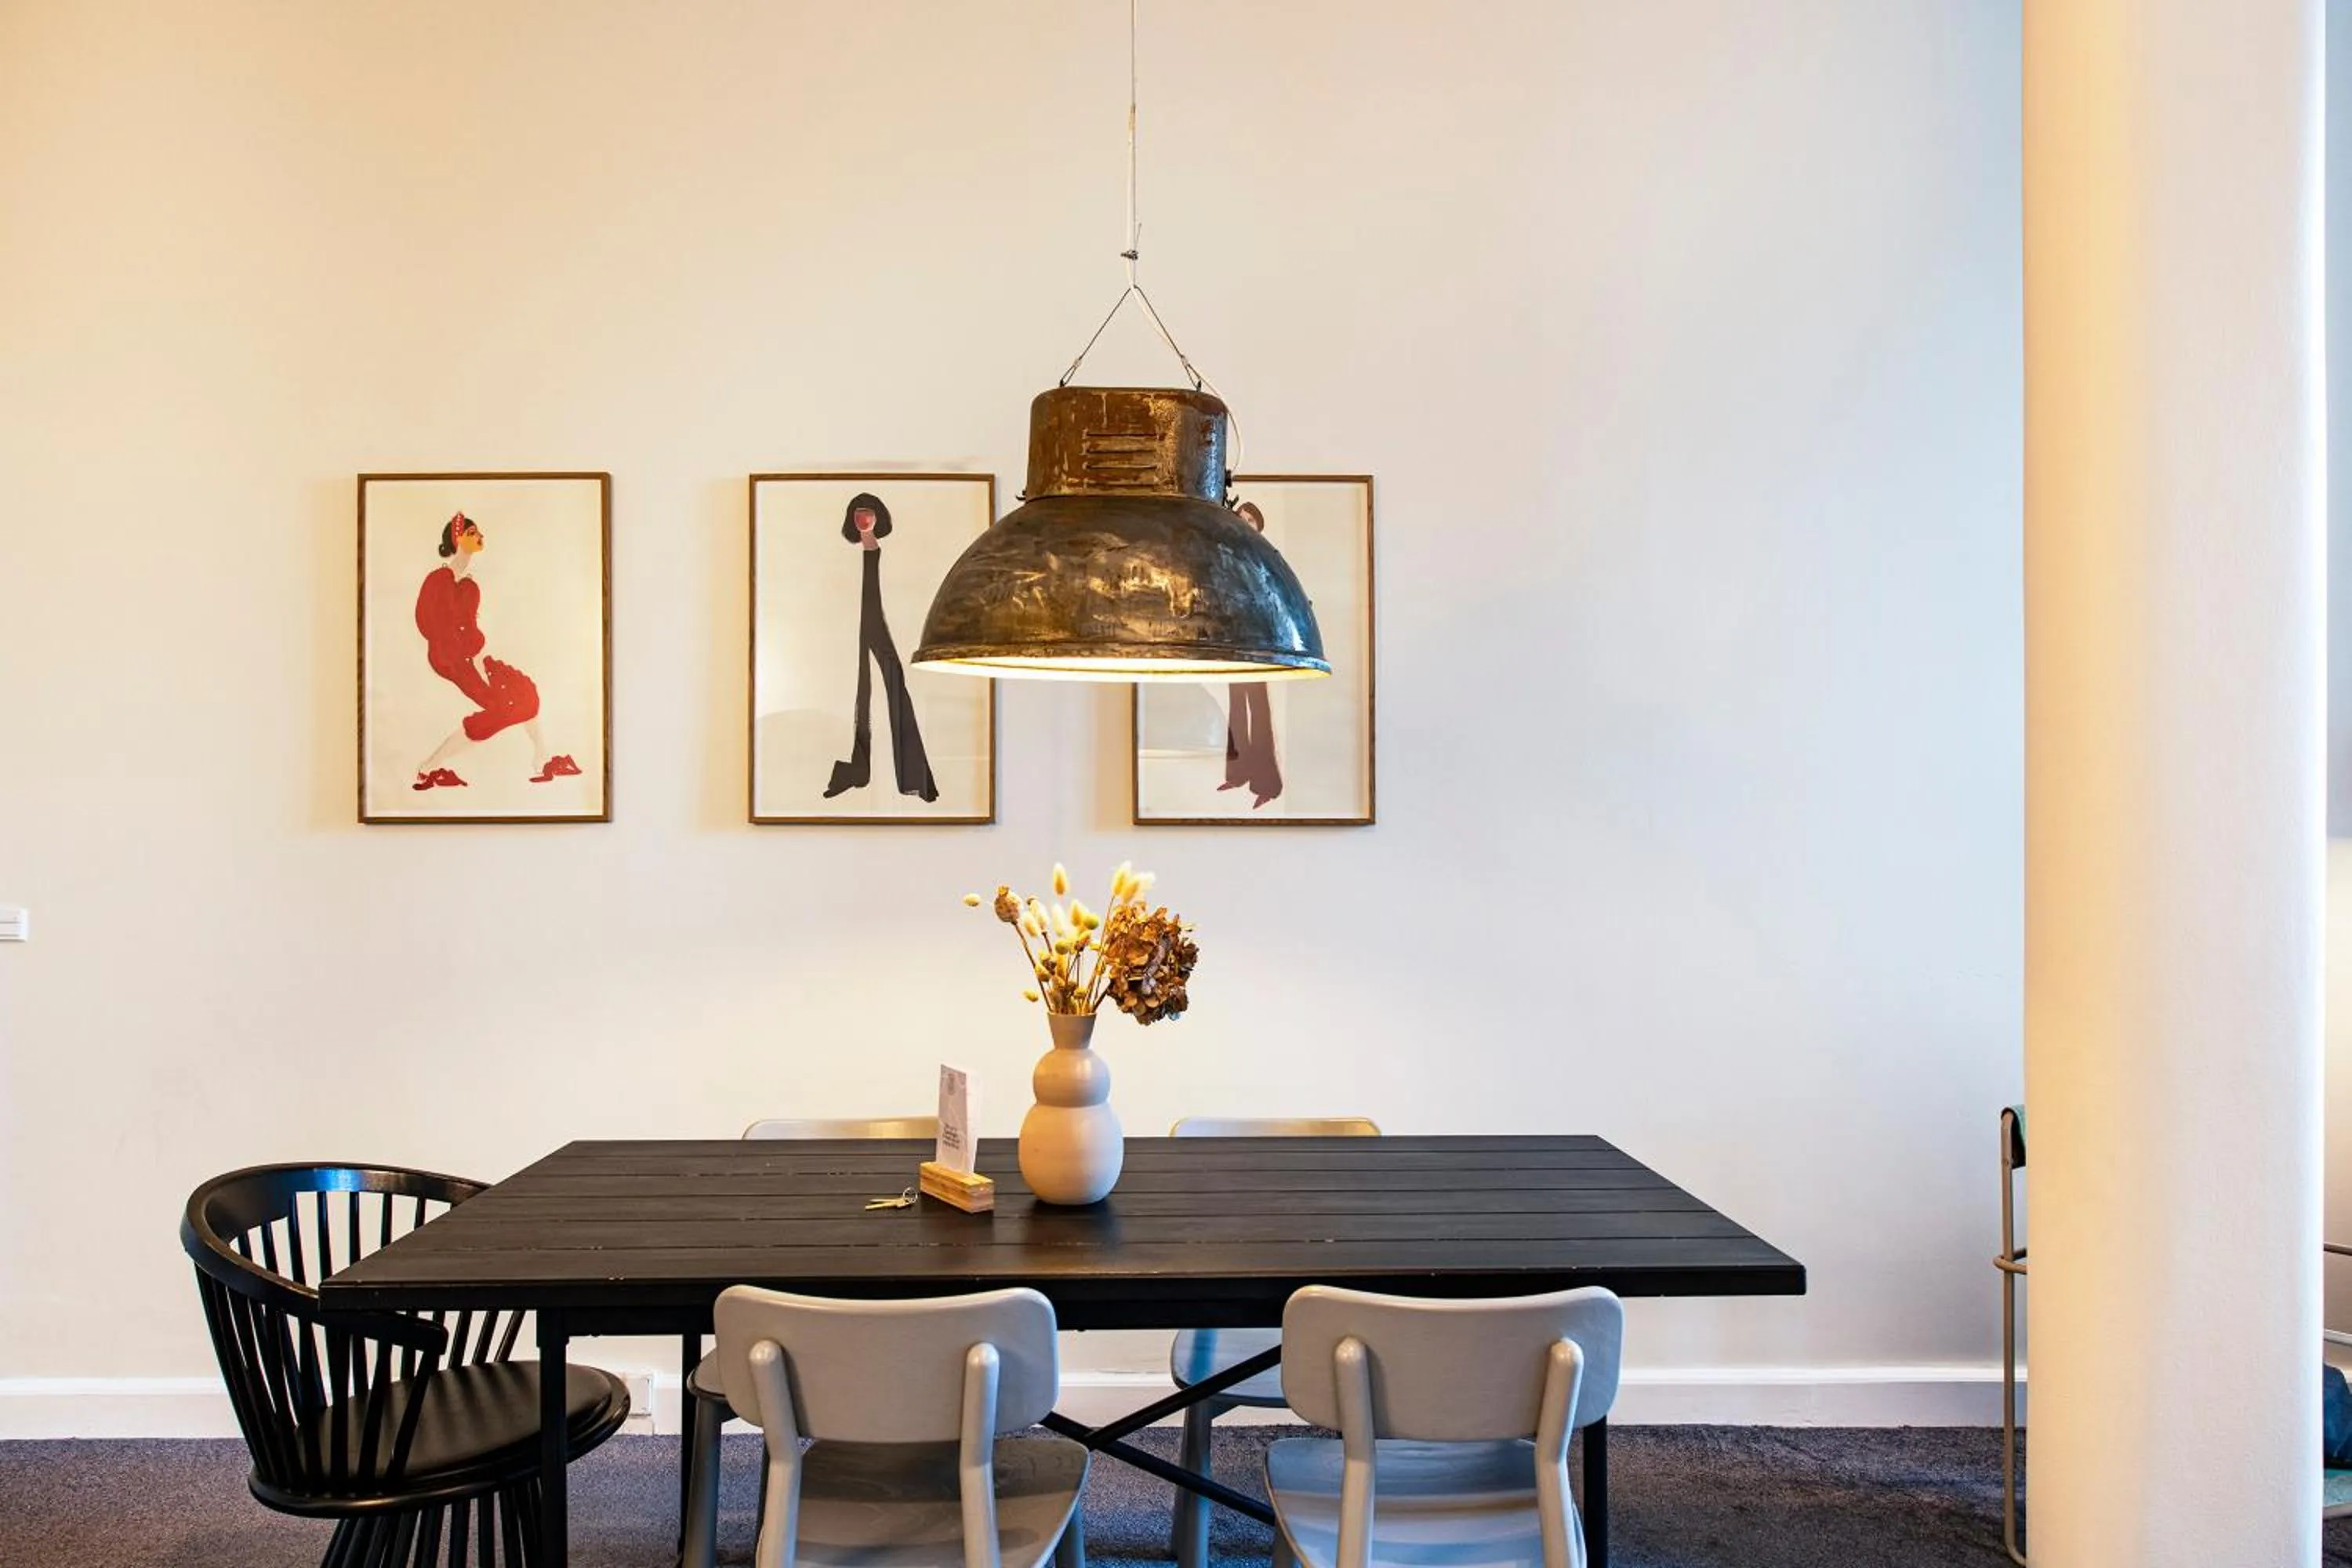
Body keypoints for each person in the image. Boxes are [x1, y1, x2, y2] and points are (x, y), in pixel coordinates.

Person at [409, 512, 579, 791]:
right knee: (505, 707)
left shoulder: (469, 585)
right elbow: (431, 624)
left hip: (474, 657)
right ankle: (428, 768)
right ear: (458, 538)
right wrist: (471, 663)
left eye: (479, 533)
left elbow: (468, 626)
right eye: (473, 532)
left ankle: (543, 756)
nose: (480, 537)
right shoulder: (439, 579)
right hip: (454, 661)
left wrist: (477, 657)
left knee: (524, 691)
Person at [823, 492, 938, 802]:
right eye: (859, 514)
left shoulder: (893, 553)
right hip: (854, 626)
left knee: (895, 690)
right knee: (860, 697)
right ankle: (857, 771)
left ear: (878, 517)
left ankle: (913, 777)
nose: (863, 519)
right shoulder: (840, 557)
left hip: (880, 625)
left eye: (868, 514)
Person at [1218, 501, 1283, 808]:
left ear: (1258, 525)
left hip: (1257, 644)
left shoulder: (1264, 557)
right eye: (1240, 518)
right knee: (1236, 710)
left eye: (1250, 519)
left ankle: (1267, 784)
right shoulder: (1229, 555)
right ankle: (1237, 773)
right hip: (1234, 642)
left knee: (1259, 712)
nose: (1244, 523)